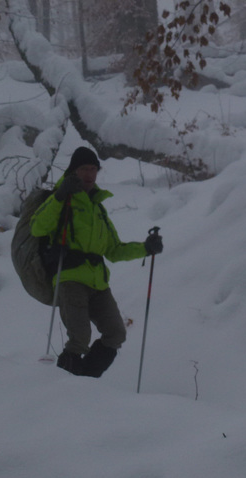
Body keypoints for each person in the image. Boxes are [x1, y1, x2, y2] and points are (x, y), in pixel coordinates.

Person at [30, 146, 163, 377]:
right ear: (74, 170)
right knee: (80, 338)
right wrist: (60, 196)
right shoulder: (61, 198)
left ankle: (85, 381)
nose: (90, 174)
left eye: (94, 169)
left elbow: (113, 250)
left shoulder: (97, 207)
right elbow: (37, 226)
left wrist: (145, 248)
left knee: (115, 334)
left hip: (98, 283)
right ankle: (60, 386)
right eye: (84, 169)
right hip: (70, 278)